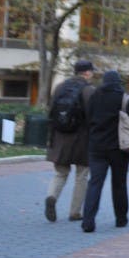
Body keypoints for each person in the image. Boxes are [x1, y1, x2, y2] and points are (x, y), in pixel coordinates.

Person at [81, 70, 129, 232]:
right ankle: (121, 219)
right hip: (119, 148)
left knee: (95, 183)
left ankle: (88, 221)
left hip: (96, 147)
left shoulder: (94, 97)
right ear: (117, 83)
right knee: (119, 184)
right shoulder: (123, 98)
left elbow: (87, 118)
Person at [44, 59, 96, 222]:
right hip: (81, 140)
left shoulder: (60, 87)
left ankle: (52, 196)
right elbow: (93, 116)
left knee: (60, 173)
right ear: (87, 73)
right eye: (91, 72)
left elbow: (51, 111)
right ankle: (75, 212)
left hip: (59, 138)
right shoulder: (89, 90)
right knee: (82, 175)